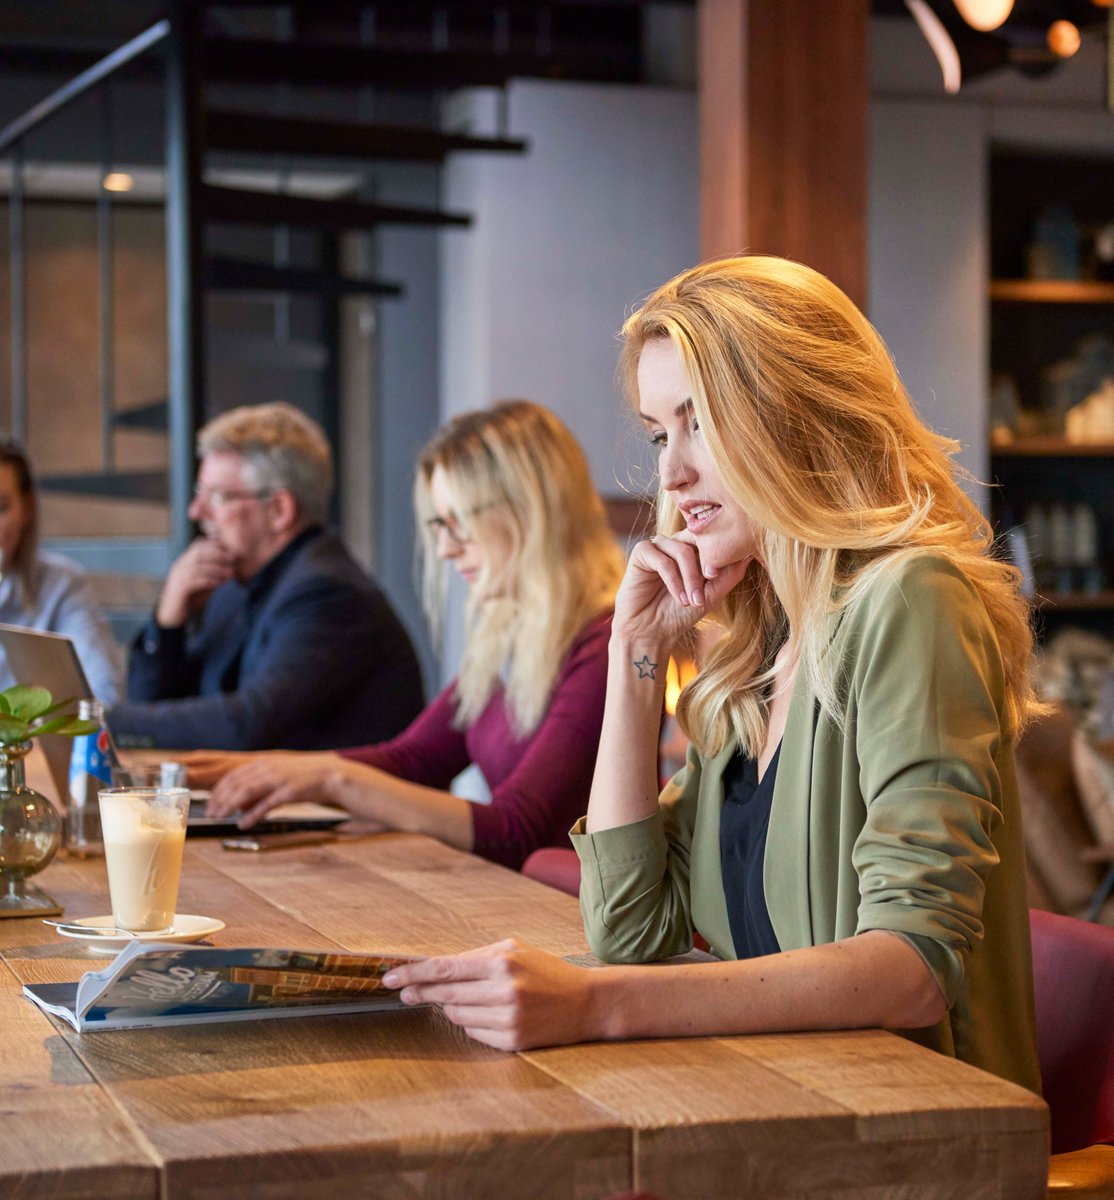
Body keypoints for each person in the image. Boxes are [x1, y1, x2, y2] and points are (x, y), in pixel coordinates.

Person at [379, 256, 1044, 1094]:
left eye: (702, 423)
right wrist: (634, 655)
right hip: (771, 1102)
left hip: (911, 1135)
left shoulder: (911, 600)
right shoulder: (756, 643)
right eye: (660, 433)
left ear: (800, 417)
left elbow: (909, 967)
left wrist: (596, 1007)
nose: (671, 474)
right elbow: (629, 927)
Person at [191, 400, 625, 870]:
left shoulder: (604, 646)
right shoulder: (514, 631)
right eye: (440, 525)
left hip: (571, 927)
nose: (444, 548)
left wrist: (331, 779)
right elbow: (416, 759)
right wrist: (273, 770)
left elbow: (519, 831)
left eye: (459, 521)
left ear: (532, 510)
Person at [106, 402, 424, 750]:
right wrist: (168, 623)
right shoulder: (233, 586)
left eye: (217, 496)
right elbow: (161, 712)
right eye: (200, 494)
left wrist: (103, 720)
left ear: (279, 510)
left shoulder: (329, 594)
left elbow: (248, 724)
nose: (196, 511)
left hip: (337, 805)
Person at [0, 439, 124, 704]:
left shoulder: (61, 585)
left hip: (28, 744)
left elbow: (104, 696)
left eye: (1, 507)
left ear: (27, 508)